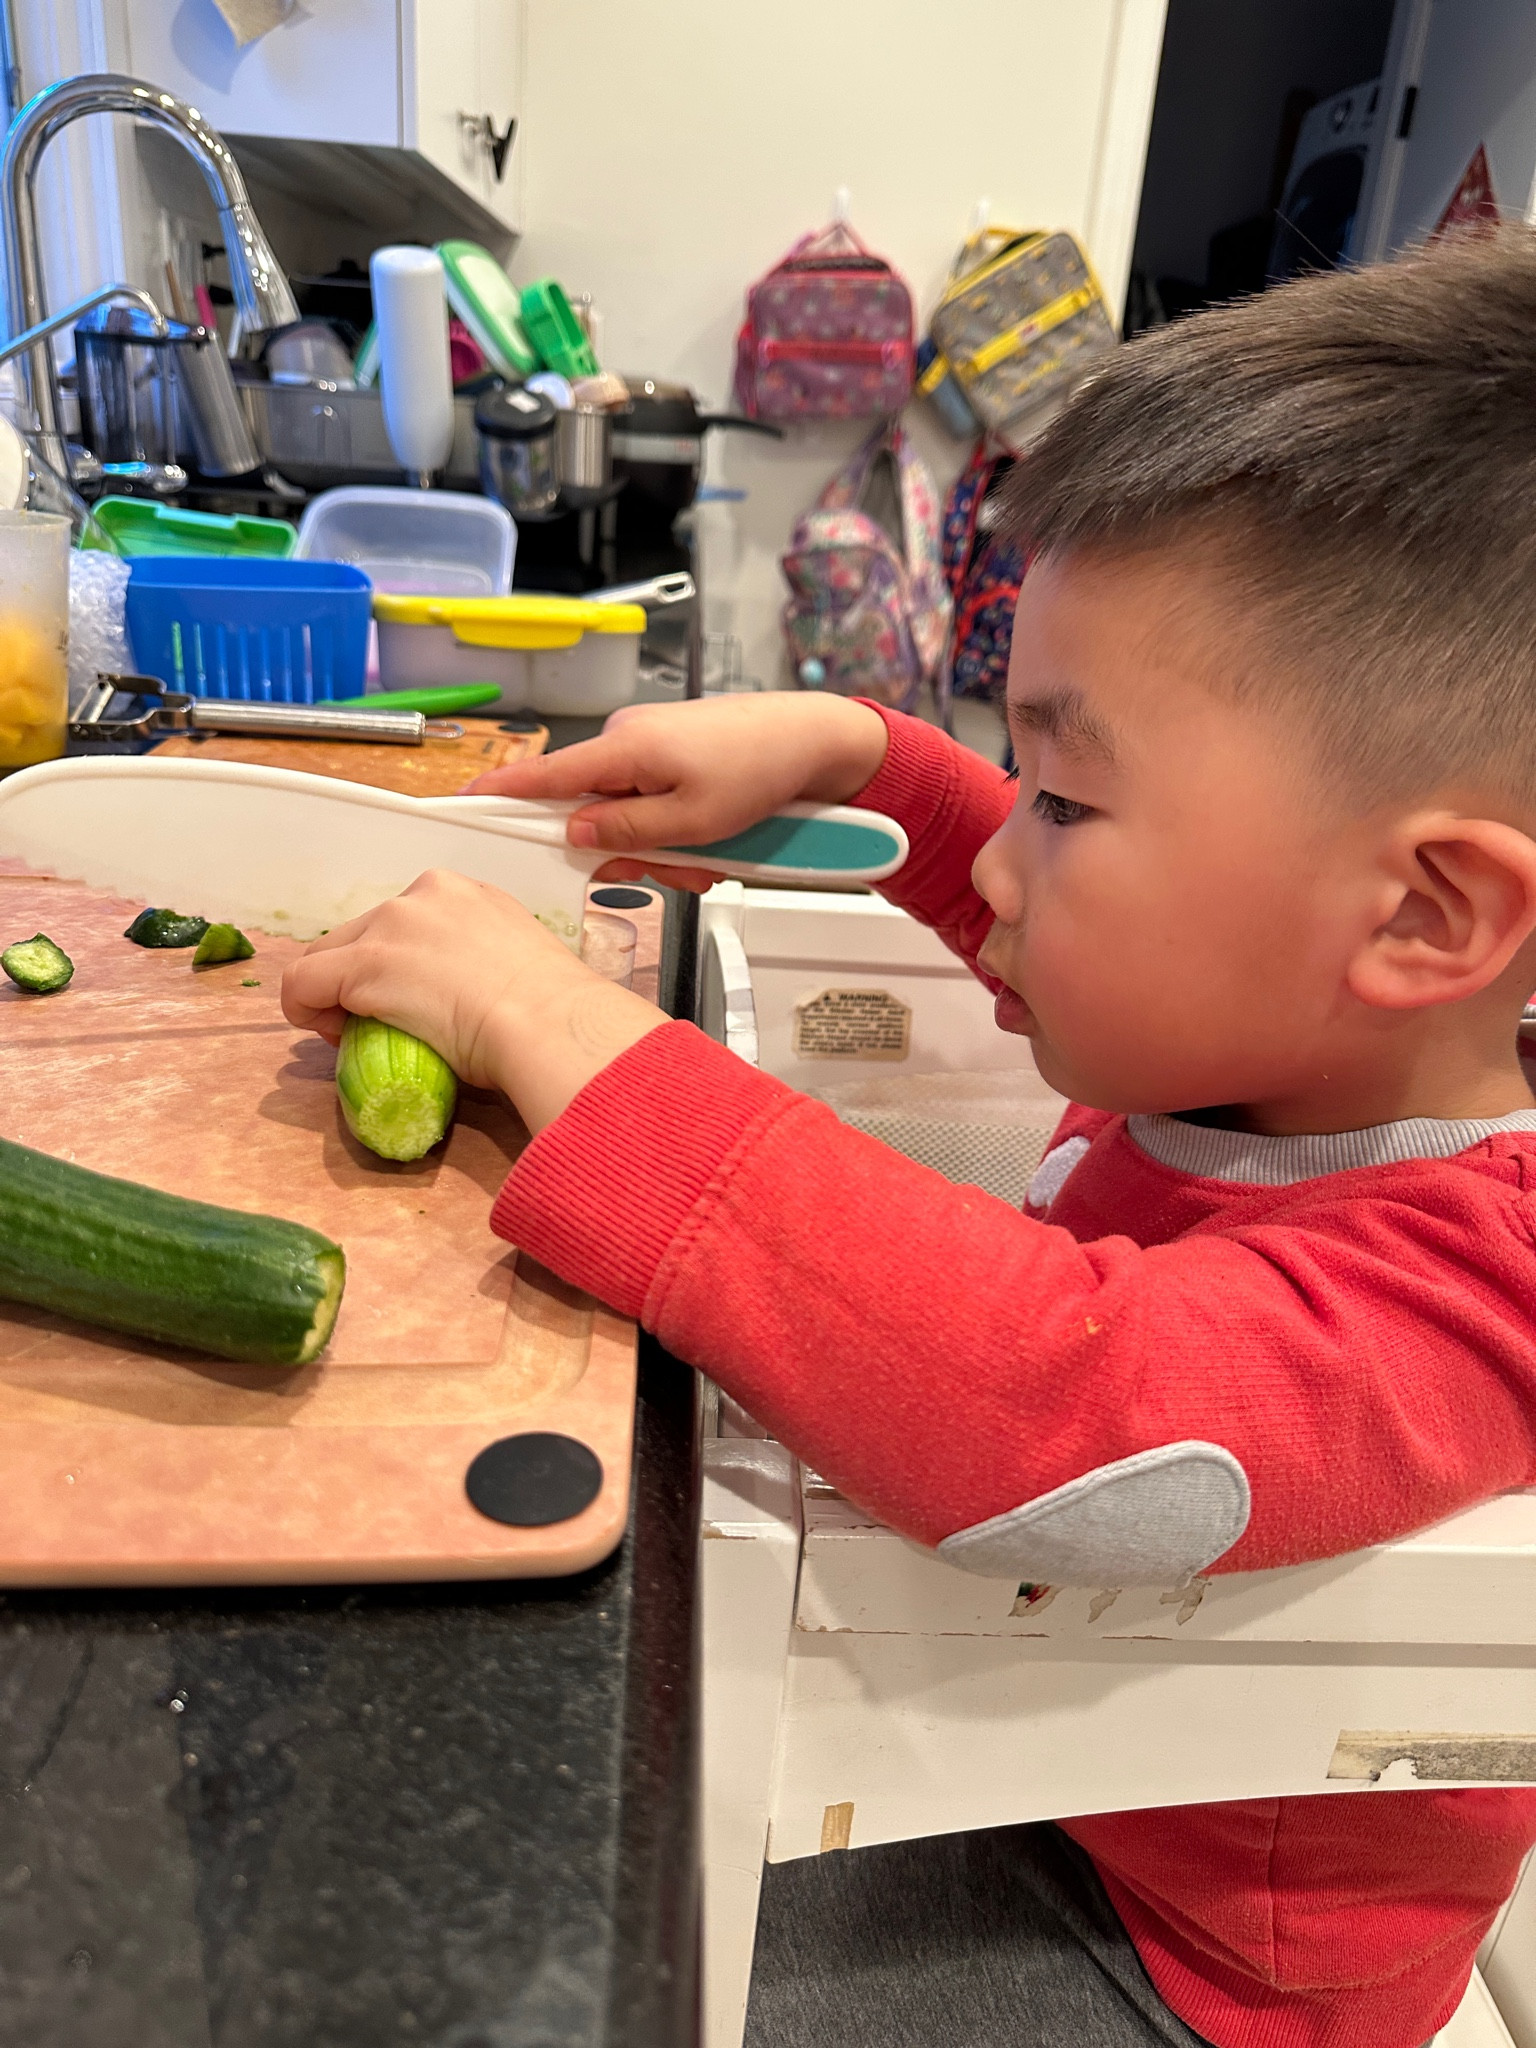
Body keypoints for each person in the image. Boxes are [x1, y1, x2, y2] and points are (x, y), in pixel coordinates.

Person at [282, 225, 1536, 2048]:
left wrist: (567, 1034)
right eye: (1021, 773)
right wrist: (849, 754)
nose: (1005, 861)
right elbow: (1026, 906)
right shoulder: (1283, 1032)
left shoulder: (1475, 1279)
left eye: (1075, 795)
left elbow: (1069, 1408)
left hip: (1181, 1958)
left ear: (1424, 919)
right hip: (1051, 1727)